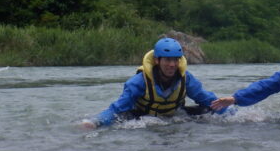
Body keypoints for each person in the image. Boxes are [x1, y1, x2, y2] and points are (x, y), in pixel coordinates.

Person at [79, 37, 221, 129]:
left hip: (173, 116)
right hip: (142, 117)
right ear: (157, 60)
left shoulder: (186, 79)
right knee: (120, 118)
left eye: (175, 60)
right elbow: (117, 109)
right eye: (167, 60)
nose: (172, 65)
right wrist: (95, 122)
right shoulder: (139, 81)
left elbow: (207, 99)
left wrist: (232, 113)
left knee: (208, 110)